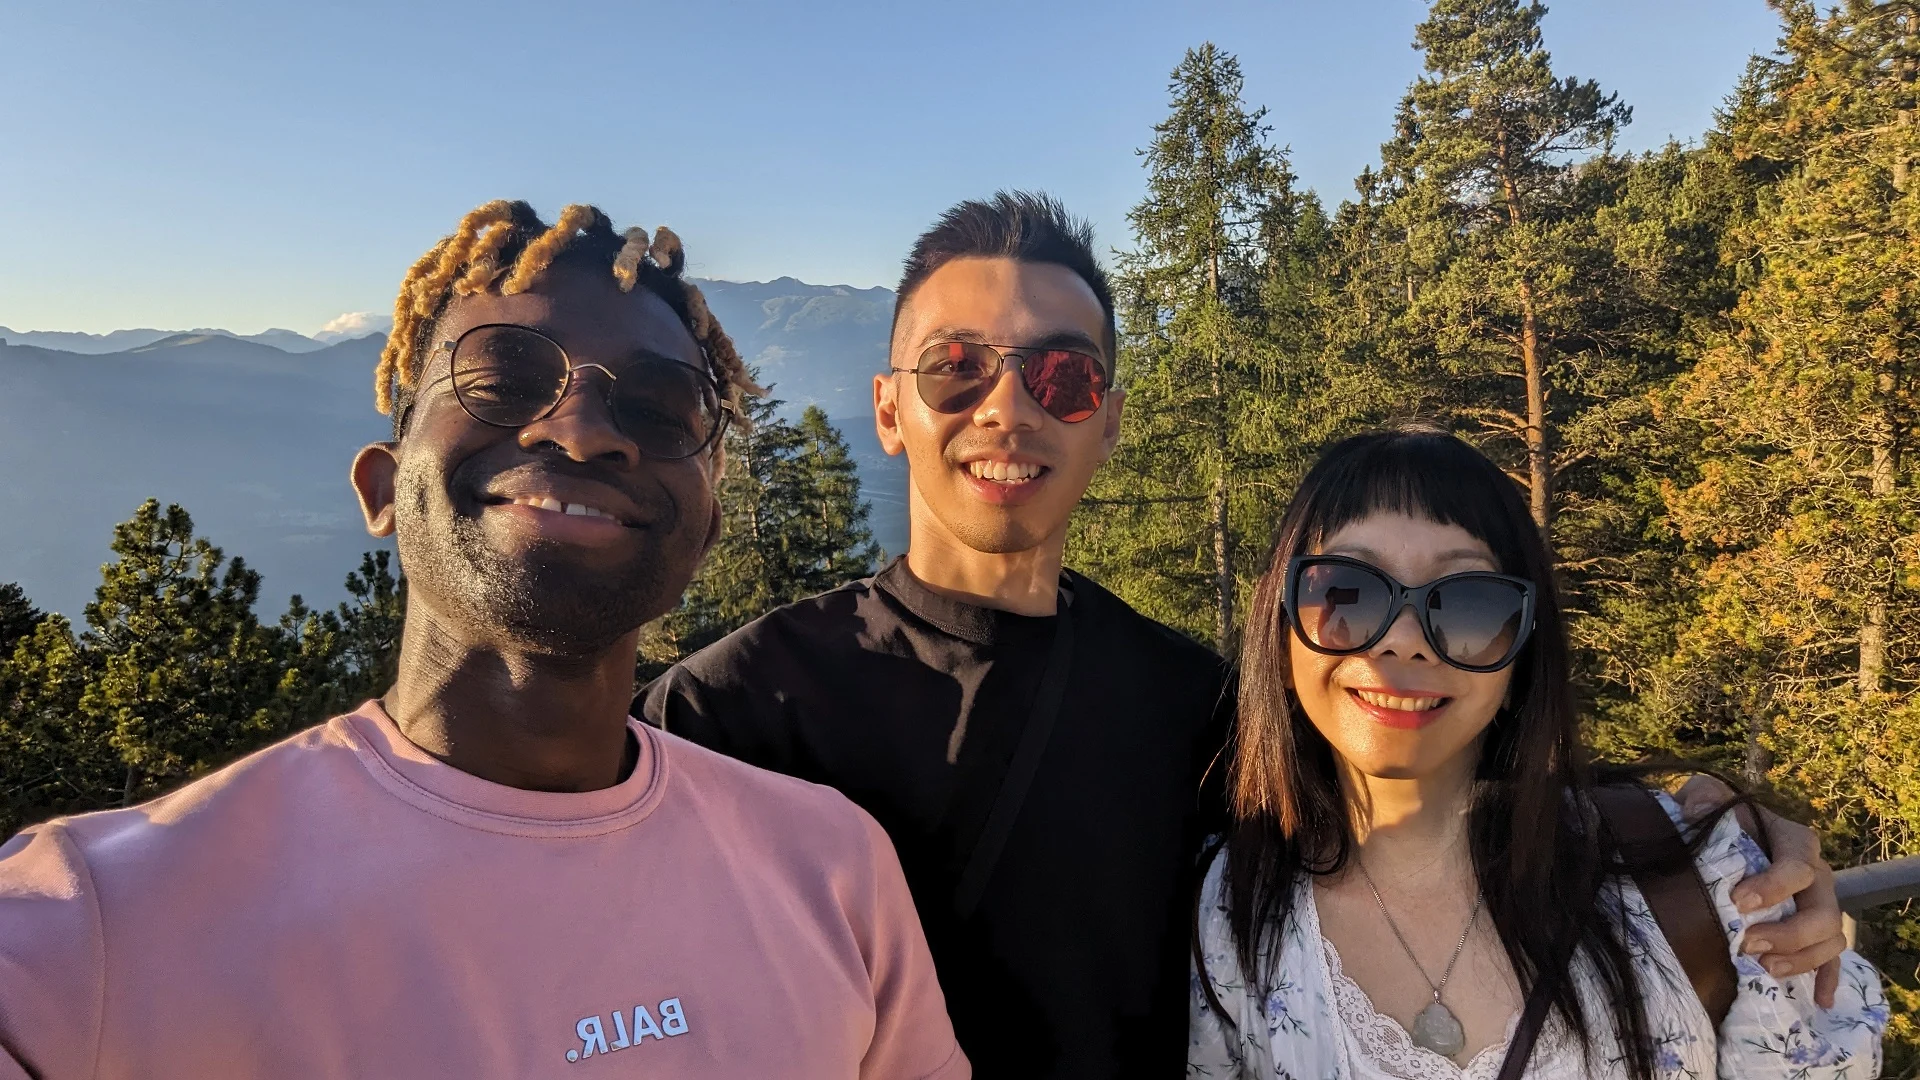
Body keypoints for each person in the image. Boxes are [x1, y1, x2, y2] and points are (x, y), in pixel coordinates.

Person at [638, 193, 1855, 1078]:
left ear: (1106, 419)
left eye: (1061, 376)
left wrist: (1711, 832)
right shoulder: (732, 712)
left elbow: (1416, 780)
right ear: (891, 408)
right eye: (958, 369)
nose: (1007, 406)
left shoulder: (1190, 705)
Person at [0, 201, 968, 1080]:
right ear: (383, 486)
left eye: (661, 408)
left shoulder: (838, 873)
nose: (585, 431)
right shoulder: (96, 929)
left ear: (710, 524)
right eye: (504, 379)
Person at [1189, 428, 1888, 1079]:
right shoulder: (1229, 915)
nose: (1402, 641)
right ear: (1280, 640)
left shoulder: (1707, 881)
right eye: (1345, 592)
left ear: (1521, 653)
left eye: (1465, 604)